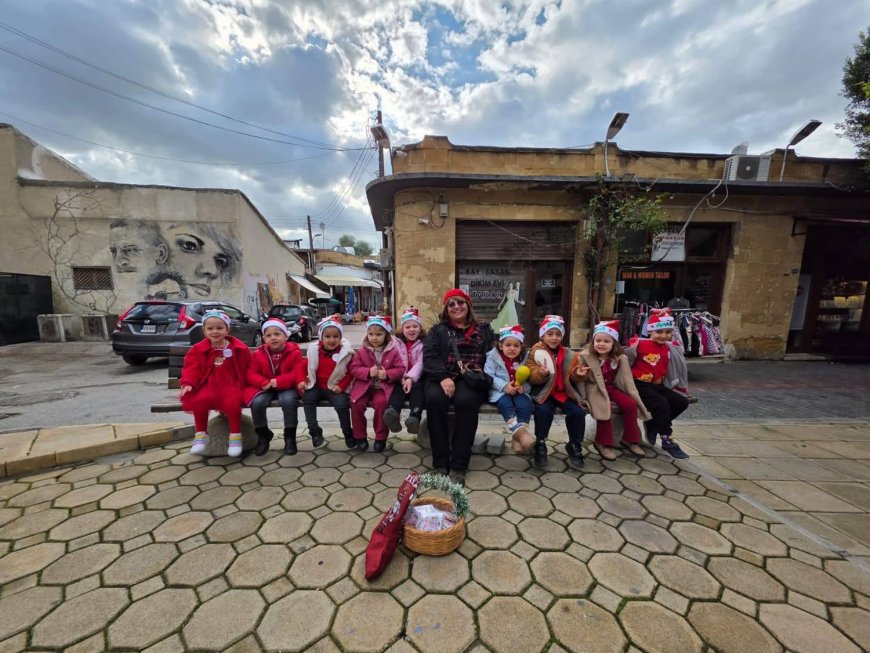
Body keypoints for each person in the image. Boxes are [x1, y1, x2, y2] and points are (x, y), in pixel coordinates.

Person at [423, 288, 494, 486]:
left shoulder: (484, 329)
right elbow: (429, 357)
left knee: (466, 402)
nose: (456, 307)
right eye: (451, 304)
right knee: (435, 400)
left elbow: (493, 356)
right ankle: (440, 462)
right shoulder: (438, 330)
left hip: (471, 377)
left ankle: (459, 465)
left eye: (460, 302)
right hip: (442, 375)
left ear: (468, 305)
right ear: (446, 309)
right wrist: (443, 377)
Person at [179, 309, 252, 457]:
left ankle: (235, 436)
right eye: (210, 328)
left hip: (231, 384)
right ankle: (200, 435)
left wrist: (249, 383)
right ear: (204, 330)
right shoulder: (198, 349)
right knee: (200, 400)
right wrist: (187, 383)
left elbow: (247, 367)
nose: (215, 332)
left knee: (232, 404)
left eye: (219, 328)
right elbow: (191, 368)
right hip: (208, 384)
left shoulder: (237, 348)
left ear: (227, 329)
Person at [577, 320, 650, 460]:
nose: (601, 344)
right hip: (594, 389)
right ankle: (603, 443)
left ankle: (630, 439)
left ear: (613, 344)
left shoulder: (619, 358)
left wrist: (629, 391)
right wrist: (581, 389)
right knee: (605, 406)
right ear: (593, 342)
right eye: (598, 340)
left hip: (611, 387)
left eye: (606, 341)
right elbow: (579, 377)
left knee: (630, 404)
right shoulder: (585, 356)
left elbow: (626, 378)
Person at [626, 308, 690, 460]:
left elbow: (675, 365)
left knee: (681, 402)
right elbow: (625, 360)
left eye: (668, 332)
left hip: (658, 385)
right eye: (659, 332)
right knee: (661, 405)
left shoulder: (670, 348)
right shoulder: (639, 345)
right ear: (650, 332)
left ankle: (654, 424)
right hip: (639, 384)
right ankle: (667, 439)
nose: (663, 336)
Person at [526, 315, 588, 469]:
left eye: (558, 334)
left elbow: (572, 375)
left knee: (578, 413)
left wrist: (578, 375)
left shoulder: (569, 354)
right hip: (544, 393)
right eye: (550, 334)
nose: (554, 338)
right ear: (542, 335)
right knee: (543, 411)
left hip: (563, 392)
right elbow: (531, 375)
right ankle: (540, 443)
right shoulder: (536, 351)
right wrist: (541, 373)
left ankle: (574, 444)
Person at [243, 318, 308, 457]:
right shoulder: (259, 354)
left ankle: (290, 437)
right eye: (268, 335)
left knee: (289, 401)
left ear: (286, 336)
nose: (273, 338)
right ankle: (263, 434)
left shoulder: (294, 352)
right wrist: (262, 382)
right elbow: (251, 373)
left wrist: (279, 381)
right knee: (258, 403)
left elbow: (297, 372)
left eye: (277, 334)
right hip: (265, 386)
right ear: (263, 338)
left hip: (287, 386)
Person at [348, 315, 406, 452]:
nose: (374, 338)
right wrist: (367, 371)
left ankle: (380, 437)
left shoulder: (393, 351)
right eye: (371, 334)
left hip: (382, 388)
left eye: (379, 334)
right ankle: (360, 436)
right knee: (356, 403)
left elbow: (401, 369)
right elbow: (353, 368)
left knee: (381, 404)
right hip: (363, 387)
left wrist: (388, 374)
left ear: (386, 335)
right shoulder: (362, 351)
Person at [300, 314, 355, 449]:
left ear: (340, 338)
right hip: (317, 385)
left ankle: (348, 432)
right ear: (321, 338)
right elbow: (302, 367)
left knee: (342, 404)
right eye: (328, 337)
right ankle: (315, 431)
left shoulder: (346, 353)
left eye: (335, 337)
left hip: (335, 387)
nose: (331, 340)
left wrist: (341, 387)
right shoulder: (314, 351)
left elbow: (350, 373)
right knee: (308, 399)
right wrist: (301, 380)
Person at [485, 324, 534, 453]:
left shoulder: (525, 358)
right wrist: (504, 386)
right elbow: (488, 376)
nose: (512, 349)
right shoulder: (492, 357)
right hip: (499, 391)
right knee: (505, 403)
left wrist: (524, 387)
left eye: (516, 346)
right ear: (501, 346)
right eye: (508, 345)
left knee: (525, 404)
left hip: (519, 391)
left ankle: (518, 439)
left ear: (521, 347)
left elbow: (531, 377)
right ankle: (521, 434)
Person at [384, 307, 426, 435]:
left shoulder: (424, 343)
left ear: (420, 328)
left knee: (418, 391)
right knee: (396, 389)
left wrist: (410, 378)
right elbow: (393, 361)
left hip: (417, 378)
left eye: (415, 326)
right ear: (402, 329)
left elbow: (421, 363)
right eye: (407, 327)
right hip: (399, 377)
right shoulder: (395, 343)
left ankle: (415, 417)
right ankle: (393, 413)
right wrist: (401, 377)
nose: (412, 329)